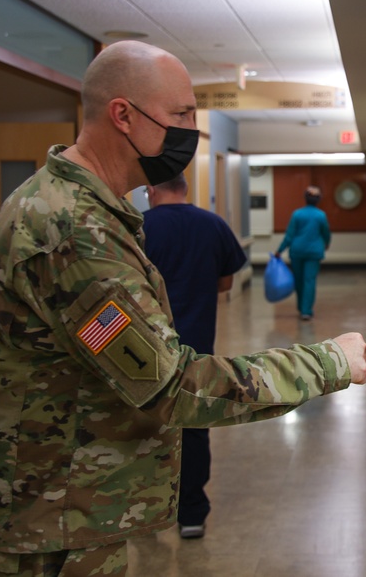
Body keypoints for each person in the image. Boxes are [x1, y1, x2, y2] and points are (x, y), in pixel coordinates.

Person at [0, 40, 366, 577]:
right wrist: (329, 362)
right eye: (181, 115)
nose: (191, 131)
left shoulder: (85, 209)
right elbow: (168, 388)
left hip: (56, 509)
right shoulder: (73, 230)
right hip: (40, 526)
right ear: (122, 114)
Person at [142, 173, 247, 540]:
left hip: (143, 349)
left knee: (142, 425)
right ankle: (191, 514)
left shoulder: (138, 227)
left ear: (150, 189)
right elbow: (226, 282)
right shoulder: (213, 224)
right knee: (193, 425)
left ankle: (146, 512)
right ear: (184, 188)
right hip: (197, 346)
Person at [275, 185, 331, 321]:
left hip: (297, 251)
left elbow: (289, 235)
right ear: (318, 200)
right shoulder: (321, 215)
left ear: (305, 199)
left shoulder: (297, 214)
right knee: (309, 281)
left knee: (299, 280)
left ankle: (301, 307)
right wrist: (326, 244)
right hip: (314, 252)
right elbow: (326, 233)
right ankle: (306, 311)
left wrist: (280, 250)